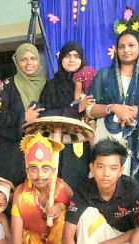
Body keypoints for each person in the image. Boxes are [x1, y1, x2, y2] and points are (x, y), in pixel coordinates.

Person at [63, 138, 139, 244]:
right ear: (91, 168)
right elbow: (67, 235)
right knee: (87, 214)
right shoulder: (84, 189)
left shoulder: (131, 188)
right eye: (100, 167)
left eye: (113, 168)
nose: (106, 174)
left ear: (121, 170)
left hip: (122, 243)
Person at [87, 30, 139, 191]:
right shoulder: (103, 76)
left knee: (130, 187)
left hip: (136, 141)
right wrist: (113, 108)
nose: (126, 50)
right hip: (106, 137)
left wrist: (138, 111)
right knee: (104, 184)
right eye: (121, 46)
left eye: (131, 45)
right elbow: (89, 109)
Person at [12, 133, 72, 244]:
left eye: (45, 169)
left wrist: (61, 207)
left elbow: (78, 214)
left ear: (53, 169)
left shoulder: (62, 187)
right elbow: (16, 234)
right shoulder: (20, 193)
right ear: (27, 170)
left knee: (64, 218)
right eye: (34, 169)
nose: (40, 175)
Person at [39, 41, 94, 193]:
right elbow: (45, 115)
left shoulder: (90, 83)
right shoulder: (51, 86)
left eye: (76, 56)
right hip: (60, 145)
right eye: (68, 56)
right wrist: (75, 109)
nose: (72, 60)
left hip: (85, 144)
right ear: (61, 58)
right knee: (60, 190)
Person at [0, 43, 46, 186]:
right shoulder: (6, 86)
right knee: (14, 193)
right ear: (17, 62)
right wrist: (23, 117)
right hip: (13, 154)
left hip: (42, 151)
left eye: (32, 58)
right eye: (23, 59)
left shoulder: (48, 85)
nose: (29, 63)